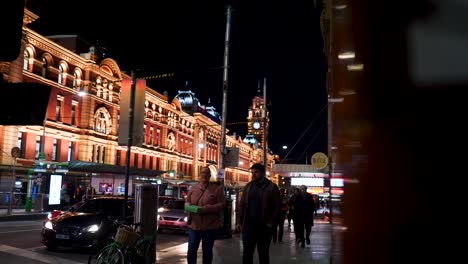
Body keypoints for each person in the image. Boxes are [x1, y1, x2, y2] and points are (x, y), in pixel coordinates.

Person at [236, 163, 281, 264]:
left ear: (262, 173)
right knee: (247, 254)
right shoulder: (248, 186)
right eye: (252, 172)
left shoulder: (272, 187)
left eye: (256, 172)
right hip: (248, 226)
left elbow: (278, 207)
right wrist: (239, 221)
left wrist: (271, 223)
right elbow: (242, 205)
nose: (253, 174)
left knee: (263, 254)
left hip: (264, 227)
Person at [186, 166, 226, 264]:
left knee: (207, 251)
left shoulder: (216, 189)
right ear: (200, 174)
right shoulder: (193, 188)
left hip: (209, 226)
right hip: (194, 225)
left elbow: (222, 204)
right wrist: (188, 206)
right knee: (191, 250)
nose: (204, 175)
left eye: (206, 173)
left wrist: (207, 209)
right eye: (202, 173)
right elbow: (187, 201)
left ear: (209, 175)